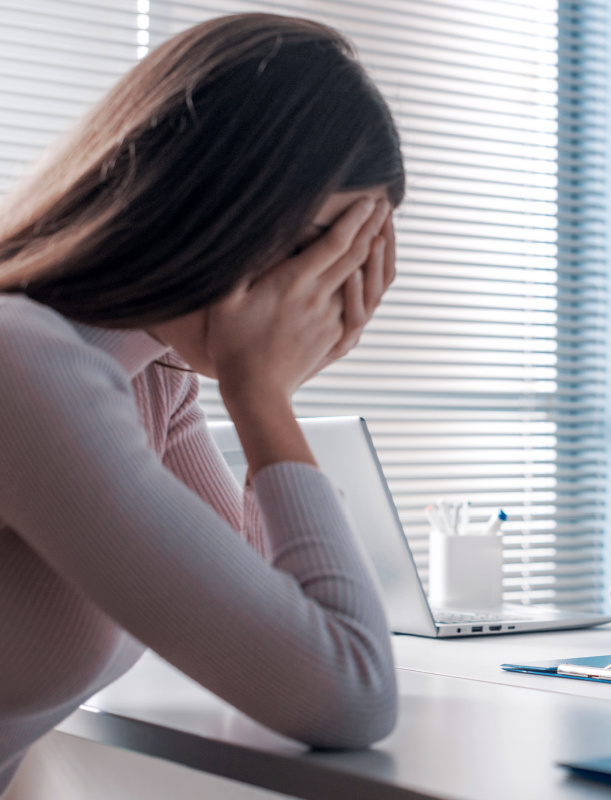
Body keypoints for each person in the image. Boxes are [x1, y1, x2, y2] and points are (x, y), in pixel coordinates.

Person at [0, 14, 405, 792]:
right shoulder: (27, 363)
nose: (329, 290)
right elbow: (347, 692)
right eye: (321, 248)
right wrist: (262, 394)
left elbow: (272, 620)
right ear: (212, 197)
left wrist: (262, 387)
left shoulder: (152, 376)